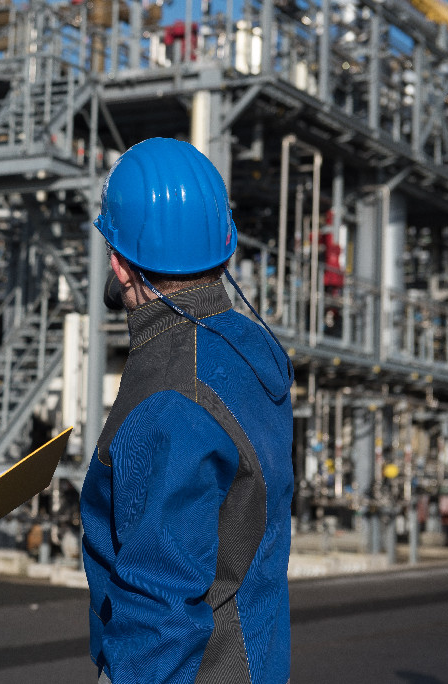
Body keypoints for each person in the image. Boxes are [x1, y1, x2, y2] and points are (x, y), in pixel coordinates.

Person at [81, 137, 295, 683]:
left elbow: (161, 610)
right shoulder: (251, 351)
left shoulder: (169, 392)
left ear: (118, 262)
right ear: (224, 247)